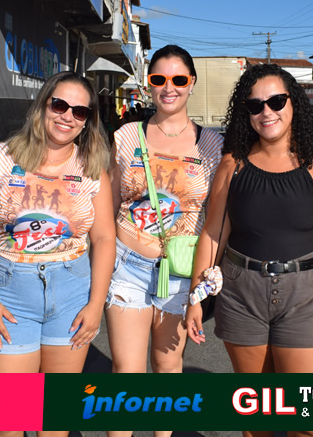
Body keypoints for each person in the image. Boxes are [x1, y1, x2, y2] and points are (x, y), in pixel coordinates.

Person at [185, 63, 313, 437]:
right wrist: (196, 297)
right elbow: (212, 234)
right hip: (240, 295)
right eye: (255, 105)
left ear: (294, 103)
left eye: (277, 101)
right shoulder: (232, 165)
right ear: (246, 113)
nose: (267, 112)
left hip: (305, 298)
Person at [0, 71, 115, 437]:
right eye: (59, 105)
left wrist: (96, 304)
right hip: (11, 294)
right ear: (43, 105)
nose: (67, 116)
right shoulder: (1, 159)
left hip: (72, 294)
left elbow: (105, 238)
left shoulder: (92, 168)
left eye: (79, 111)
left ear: (87, 121)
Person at [106, 45, 223, 437]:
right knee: (126, 372)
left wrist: (205, 280)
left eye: (178, 79)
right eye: (159, 79)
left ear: (192, 83)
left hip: (181, 272)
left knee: (168, 367)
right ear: (148, 83)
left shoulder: (212, 145)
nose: (168, 88)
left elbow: (217, 220)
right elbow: (109, 204)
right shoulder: (127, 136)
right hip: (128, 266)